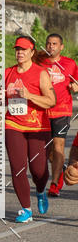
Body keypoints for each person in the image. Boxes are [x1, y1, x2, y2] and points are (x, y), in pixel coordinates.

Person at [5, 35, 56, 223]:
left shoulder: (40, 73)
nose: (19, 52)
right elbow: (0, 99)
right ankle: (26, 209)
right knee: (18, 168)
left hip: (38, 127)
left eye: (24, 49)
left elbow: (51, 101)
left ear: (31, 52)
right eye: (17, 49)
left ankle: (41, 190)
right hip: (13, 124)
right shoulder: (8, 73)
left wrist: (29, 95)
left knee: (38, 171)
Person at [42, 33, 78, 196]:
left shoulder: (69, 64)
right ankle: (61, 170)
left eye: (55, 44)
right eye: (49, 43)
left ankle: (55, 183)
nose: (51, 46)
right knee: (47, 151)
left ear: (61, 47)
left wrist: (75, 86)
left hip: (62, 110)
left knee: (59, 146)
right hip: (42, 111)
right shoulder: (39, 61)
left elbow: (76, 82)